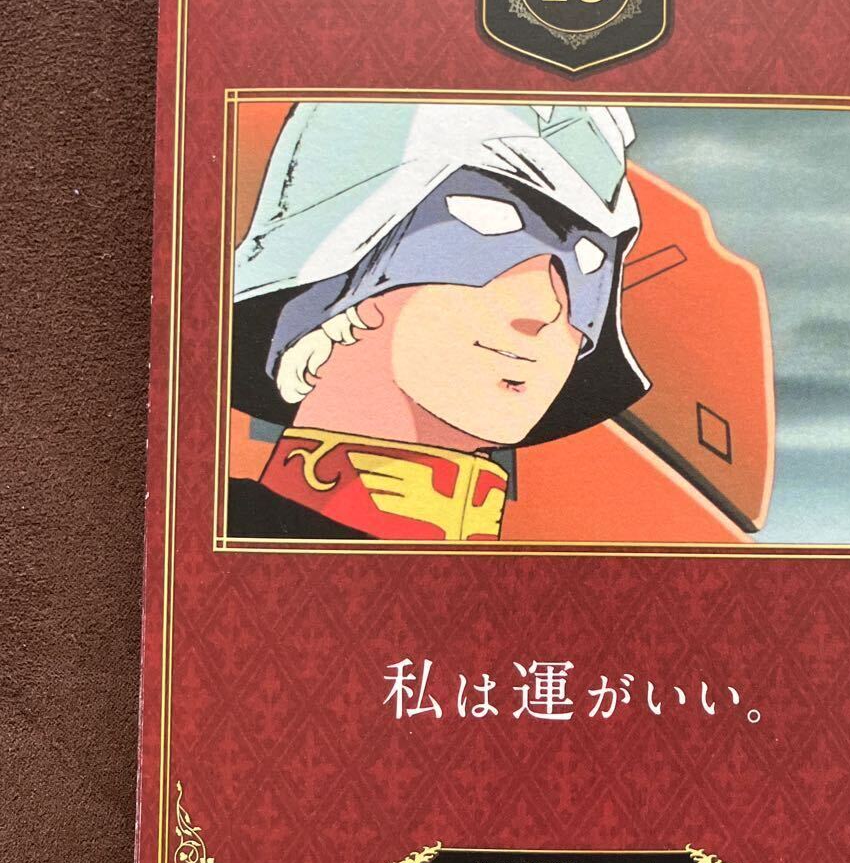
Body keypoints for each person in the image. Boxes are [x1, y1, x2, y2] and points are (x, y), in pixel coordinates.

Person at [227, 102, 648, 541]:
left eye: (589, 262)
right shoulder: (221, 536)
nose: (545, 311)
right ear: (342, 284)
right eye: (487, 226)